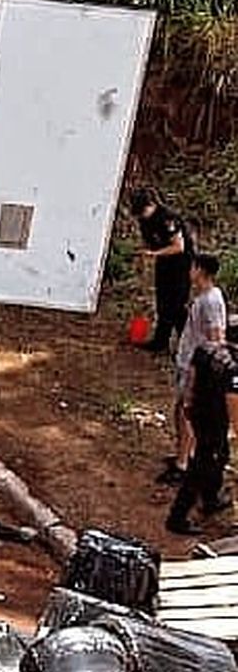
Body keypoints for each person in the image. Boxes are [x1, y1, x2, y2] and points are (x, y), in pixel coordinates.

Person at [160, 252, 228, 487]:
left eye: (192, 267)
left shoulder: (210, 301)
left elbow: (216, 338)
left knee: (187, 414)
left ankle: (183, 465)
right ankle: (183, 454)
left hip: (196, 370)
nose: (189, 271)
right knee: (179, 410)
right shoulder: (205, 297)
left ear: (200, 270)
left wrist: (199, 371)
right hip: (187, 364)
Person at [166, 338, 238, 534]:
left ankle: (210, 498)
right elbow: (233, 406)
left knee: (221, 455)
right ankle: (177, 517)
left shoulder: (206, 349)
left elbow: (192, 375)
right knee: (202, 466)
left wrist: (188, 401)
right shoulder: (233, 370)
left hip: (198, 410)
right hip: (213, 419)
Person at [132, 188, 190, 354]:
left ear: (152, 204)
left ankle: (187, 344)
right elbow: (149, 243)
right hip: (164, 263)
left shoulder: (167, 218)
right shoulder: (144, 220)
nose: (141, 215)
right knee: (163, 303)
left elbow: (179, 247)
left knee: (177, 306)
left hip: (180, 265)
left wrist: (154, 254)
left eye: (143, 211)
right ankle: (160, 342)